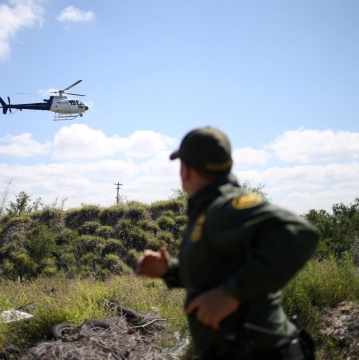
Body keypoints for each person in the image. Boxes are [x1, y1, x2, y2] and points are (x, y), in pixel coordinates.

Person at [136, 126, 319, 360]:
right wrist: (169, 269)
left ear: (186, 169)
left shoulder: (226, 207)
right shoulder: (209, 210)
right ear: (229, 164)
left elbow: (301, 233)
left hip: (261, 352)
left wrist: (230, 294)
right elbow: (213, 272)